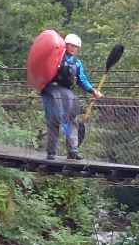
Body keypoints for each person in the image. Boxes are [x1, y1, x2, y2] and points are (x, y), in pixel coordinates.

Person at [41, 33, 102, 161]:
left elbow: (82, 79)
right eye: (72, 46)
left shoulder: (76, 63)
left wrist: (92, 91)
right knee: (53, 121)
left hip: (66, 92)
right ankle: (51, 152)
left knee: (70, 121)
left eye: (76, 47)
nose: (74, 48)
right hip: (51, 90)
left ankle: (73, 151)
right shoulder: (55, 57)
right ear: (66, 45)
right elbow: (44, 70)